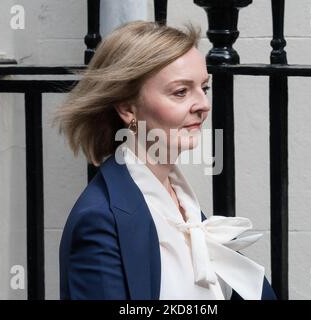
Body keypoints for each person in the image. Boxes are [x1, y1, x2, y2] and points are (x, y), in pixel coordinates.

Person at [54, 20, 277, 300]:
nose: (203, 104)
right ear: (127, 108)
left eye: (203, 88)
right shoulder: (99, 220)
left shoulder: (183, 204)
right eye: (181, 91)